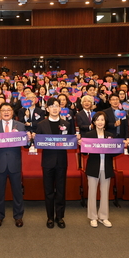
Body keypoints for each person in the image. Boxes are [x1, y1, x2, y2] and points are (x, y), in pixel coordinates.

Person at [0, 102, 30, 227]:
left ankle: (18, 216)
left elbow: (26, 145)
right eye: (3, 110)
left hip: (14, 163)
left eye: (8, 110)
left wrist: (28, 139)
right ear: (0, 112)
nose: (6, 112)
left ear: (12, 112)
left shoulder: (20, 126)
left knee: (17, 191)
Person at [35, 98, 76, 229]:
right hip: (47, 162)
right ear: (47, 109)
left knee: (61, 190)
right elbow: (37, 142)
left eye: (56, 106)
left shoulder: (67, 124)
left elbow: (71, 141)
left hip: (61, 161)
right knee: (48, 191)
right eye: (51, 106)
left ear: (60, 108)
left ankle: (60, 217)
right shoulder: (41, 124)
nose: (54, 108)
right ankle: (50, 217)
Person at [81, 112, 117, 227]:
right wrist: (81, 144)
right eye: (98, 120)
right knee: (92, 192)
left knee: (105, 192)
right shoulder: (89, 135)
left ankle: (103, 216)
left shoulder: (110, 135)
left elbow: (114, 152)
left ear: (105, 122)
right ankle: (92, 217)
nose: (100, 122)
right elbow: (85, 152)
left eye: (102, 120)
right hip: (93, 166)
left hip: (106, 166)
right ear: (94, 122)